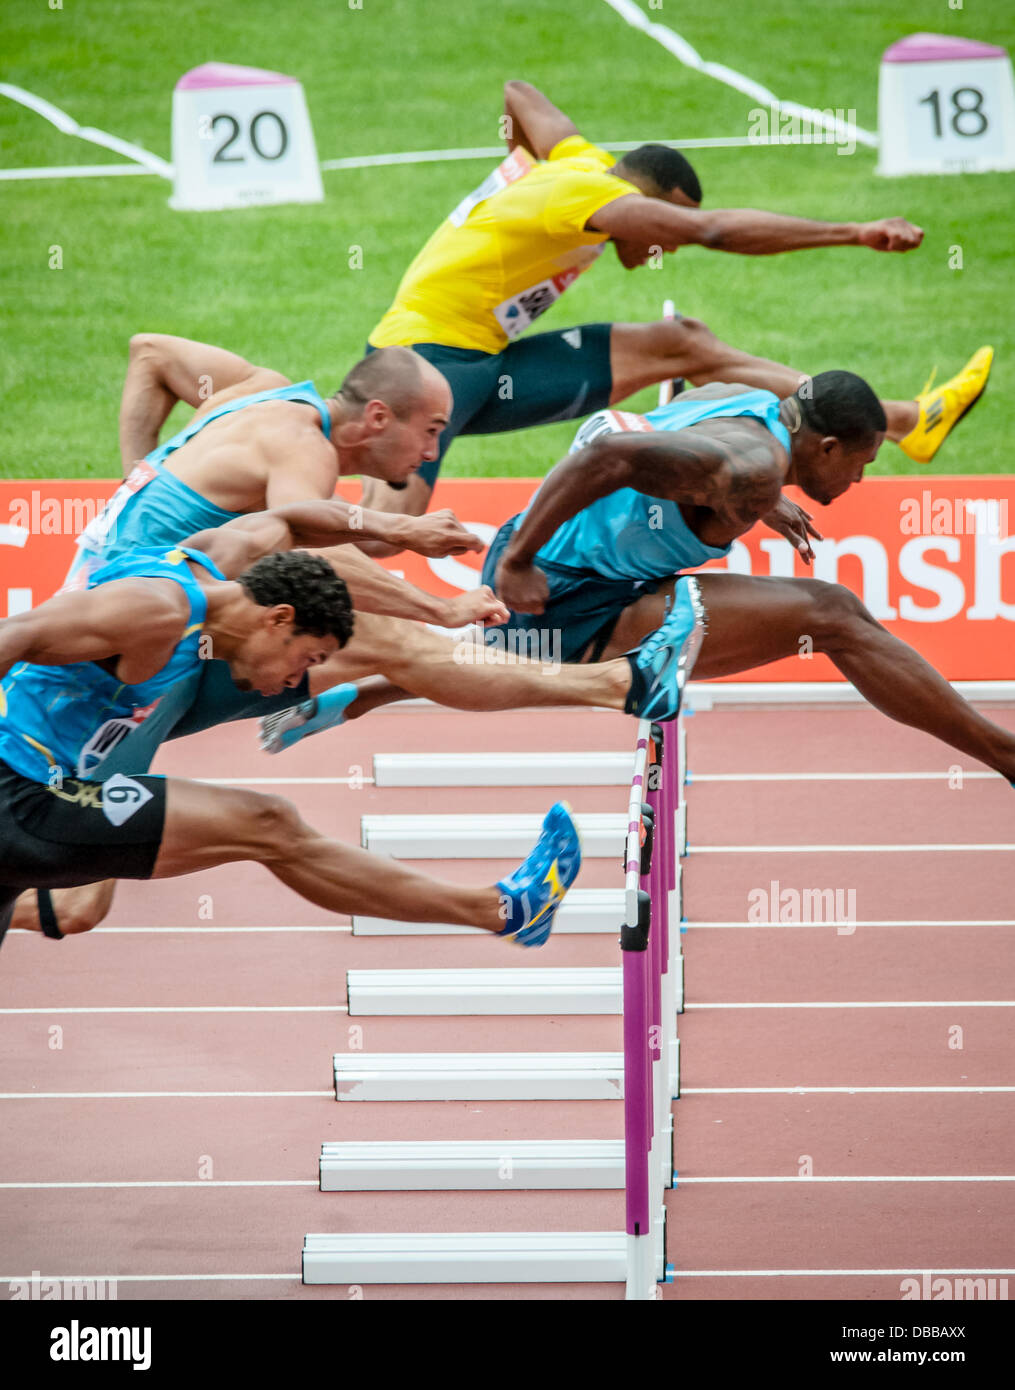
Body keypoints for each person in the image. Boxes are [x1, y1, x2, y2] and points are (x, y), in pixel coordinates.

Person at [282, 374, 1015, 793]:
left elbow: (677, 443)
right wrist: (518, 563)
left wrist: (767, 497)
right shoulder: (751, 468)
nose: (859, 479)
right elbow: (612, 456)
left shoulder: (744, 407)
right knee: (834, 616)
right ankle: (1004, 759)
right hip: (565, 587)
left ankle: (355, 690)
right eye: (859, 463)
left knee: (494, 648)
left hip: (564, 568)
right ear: (821, 446)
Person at [358, 78, 991, 524]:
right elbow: (713, 230)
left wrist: (516, 175)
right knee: (383, 531)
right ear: (644, 199)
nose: (669, 240)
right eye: (663, 220)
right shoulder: (580, 197)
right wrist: (852, 233)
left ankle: (907, 419)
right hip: (424, 359)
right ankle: (276, 515)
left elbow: (519, 92)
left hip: (489, 359)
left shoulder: (579, 163)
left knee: (680, 342)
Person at [0, 500, 616, 951]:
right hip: (18, 794)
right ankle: (504, 910)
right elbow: (16, 635)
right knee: (269, 823)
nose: (292, 682)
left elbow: (290, 521)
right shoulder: (154, 611)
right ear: (278, 619)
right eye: (309, 659)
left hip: (41, 793)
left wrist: (396, 530)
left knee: (270, 827)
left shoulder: (219, 564)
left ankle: (505, 912)